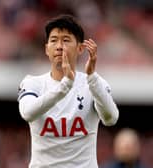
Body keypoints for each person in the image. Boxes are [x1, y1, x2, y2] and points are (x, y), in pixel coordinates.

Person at [17, 14, 119, 168]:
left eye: (65, 40)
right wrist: (65, 86)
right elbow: (28, 113)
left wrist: (92, 78)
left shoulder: (93, 83)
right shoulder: (33, 83)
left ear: (80, 48)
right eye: (53, 40)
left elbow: (111, 119)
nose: (59, 46)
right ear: (46, 49)